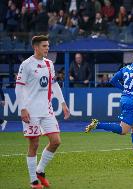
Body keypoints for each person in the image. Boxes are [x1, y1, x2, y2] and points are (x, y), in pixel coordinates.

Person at [85, 49, 133, 162]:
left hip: (125, 99)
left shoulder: (126, 68)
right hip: (132, 102)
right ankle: (98, 125)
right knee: (123, 131)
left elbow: (113, 80)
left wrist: (125, 89)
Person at [15, 35, 70, 189]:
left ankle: (40, 171)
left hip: (47, 110)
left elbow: (54, 84)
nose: (47, 48)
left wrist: (63, 103)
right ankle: (33, 181)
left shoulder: (49, 64)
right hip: (31, 111)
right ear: (36, 47)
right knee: (34, 144)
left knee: (56, 141)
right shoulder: (26, 65)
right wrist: (22, 108)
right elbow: (19, 87)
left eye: (48, 45)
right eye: (44, 46)